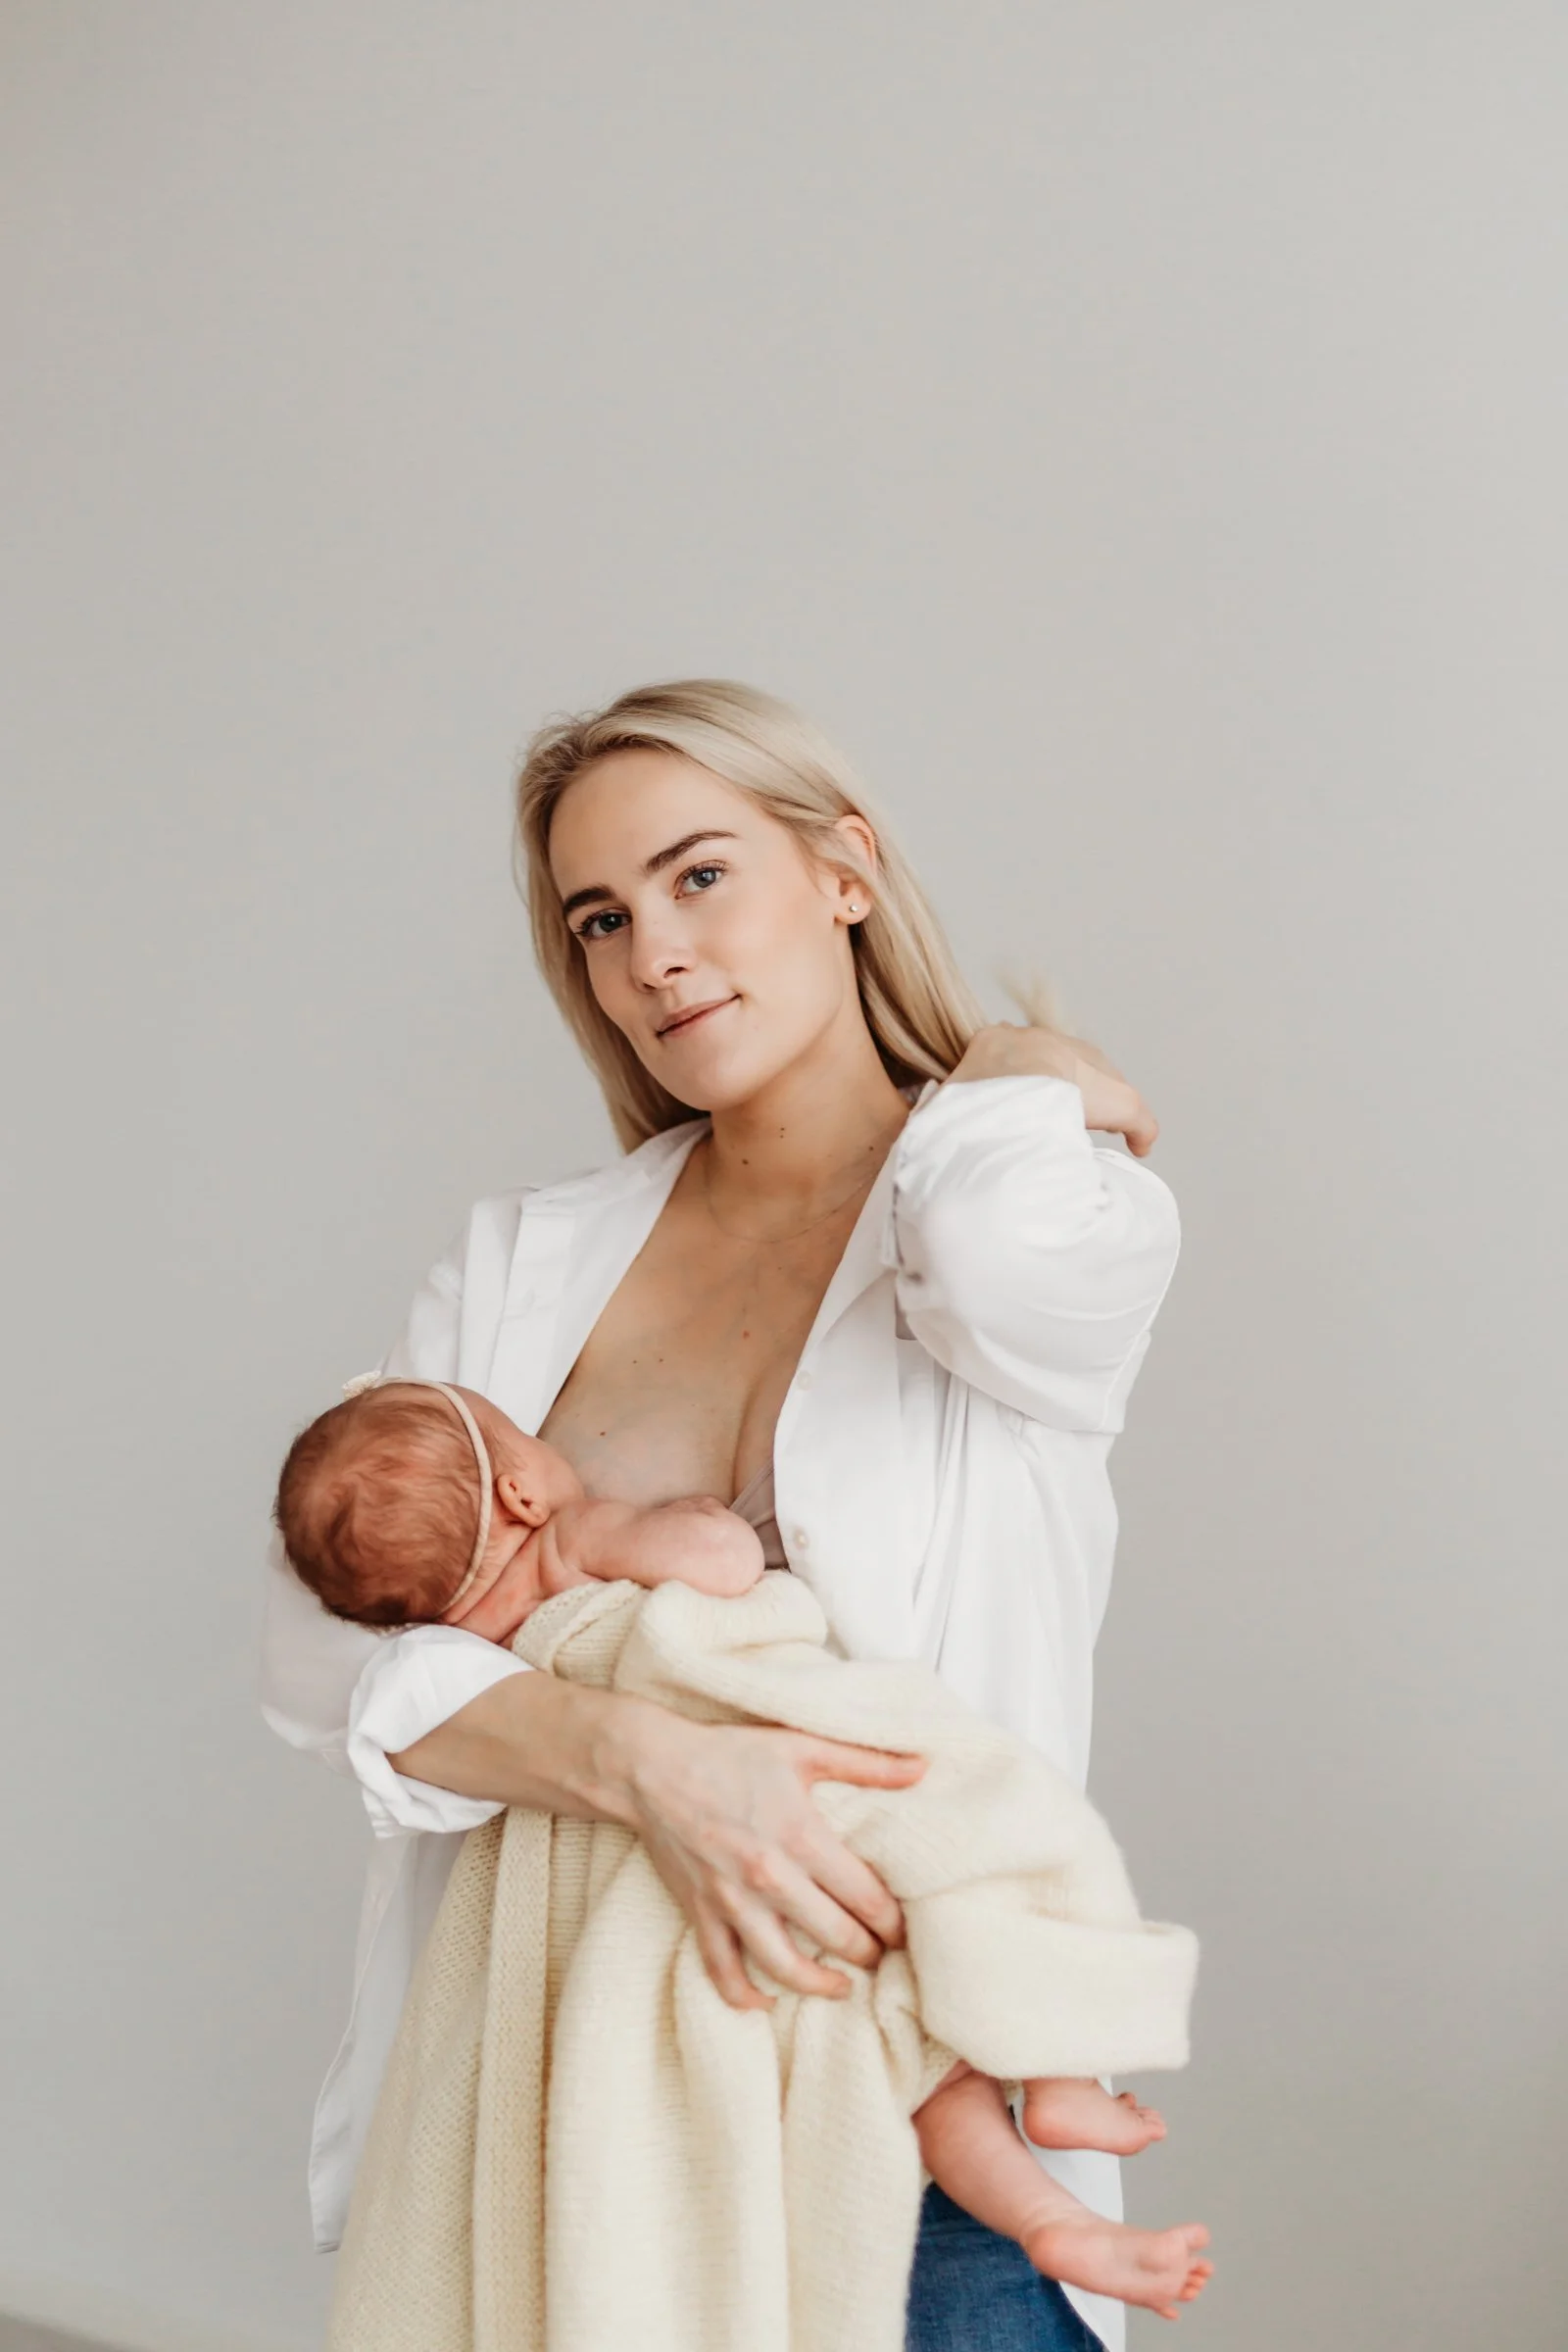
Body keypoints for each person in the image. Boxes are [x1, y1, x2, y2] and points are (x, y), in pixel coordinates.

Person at [261, 676, 1187, 2351]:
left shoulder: (1041, 1198)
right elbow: (320, 1653)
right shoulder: (523, 1262)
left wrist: (1013, 1078)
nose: (653, 958)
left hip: (921, 2108)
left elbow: (982, 1259)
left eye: (699, 878)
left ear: (846, 869)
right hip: (585, 2101)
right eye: (600, 920)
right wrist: (654, 1768)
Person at [272, 1375, 1211, 2323]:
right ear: (520, 1492)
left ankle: (1053, 2219)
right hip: (760, 1789)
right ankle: (1056, 2073)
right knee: (987, 1830)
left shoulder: (475, 1644)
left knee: (924, 2080)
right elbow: (720, 1564)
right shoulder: (574, 1540)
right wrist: (685, 1516)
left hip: (651, 1888)